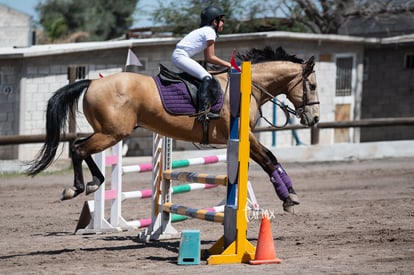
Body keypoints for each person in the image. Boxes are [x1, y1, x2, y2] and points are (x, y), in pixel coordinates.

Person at [171, 5, 231, 120]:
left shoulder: (206, 31)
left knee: (204, 75)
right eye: (222, 20)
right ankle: (203, 111)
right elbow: (210, 57)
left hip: (180, 55)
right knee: (207, 77)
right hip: (181, 56)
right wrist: (228, 64)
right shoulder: (210, 32)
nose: (223, 23)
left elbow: (208, 58)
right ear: (215, 21)